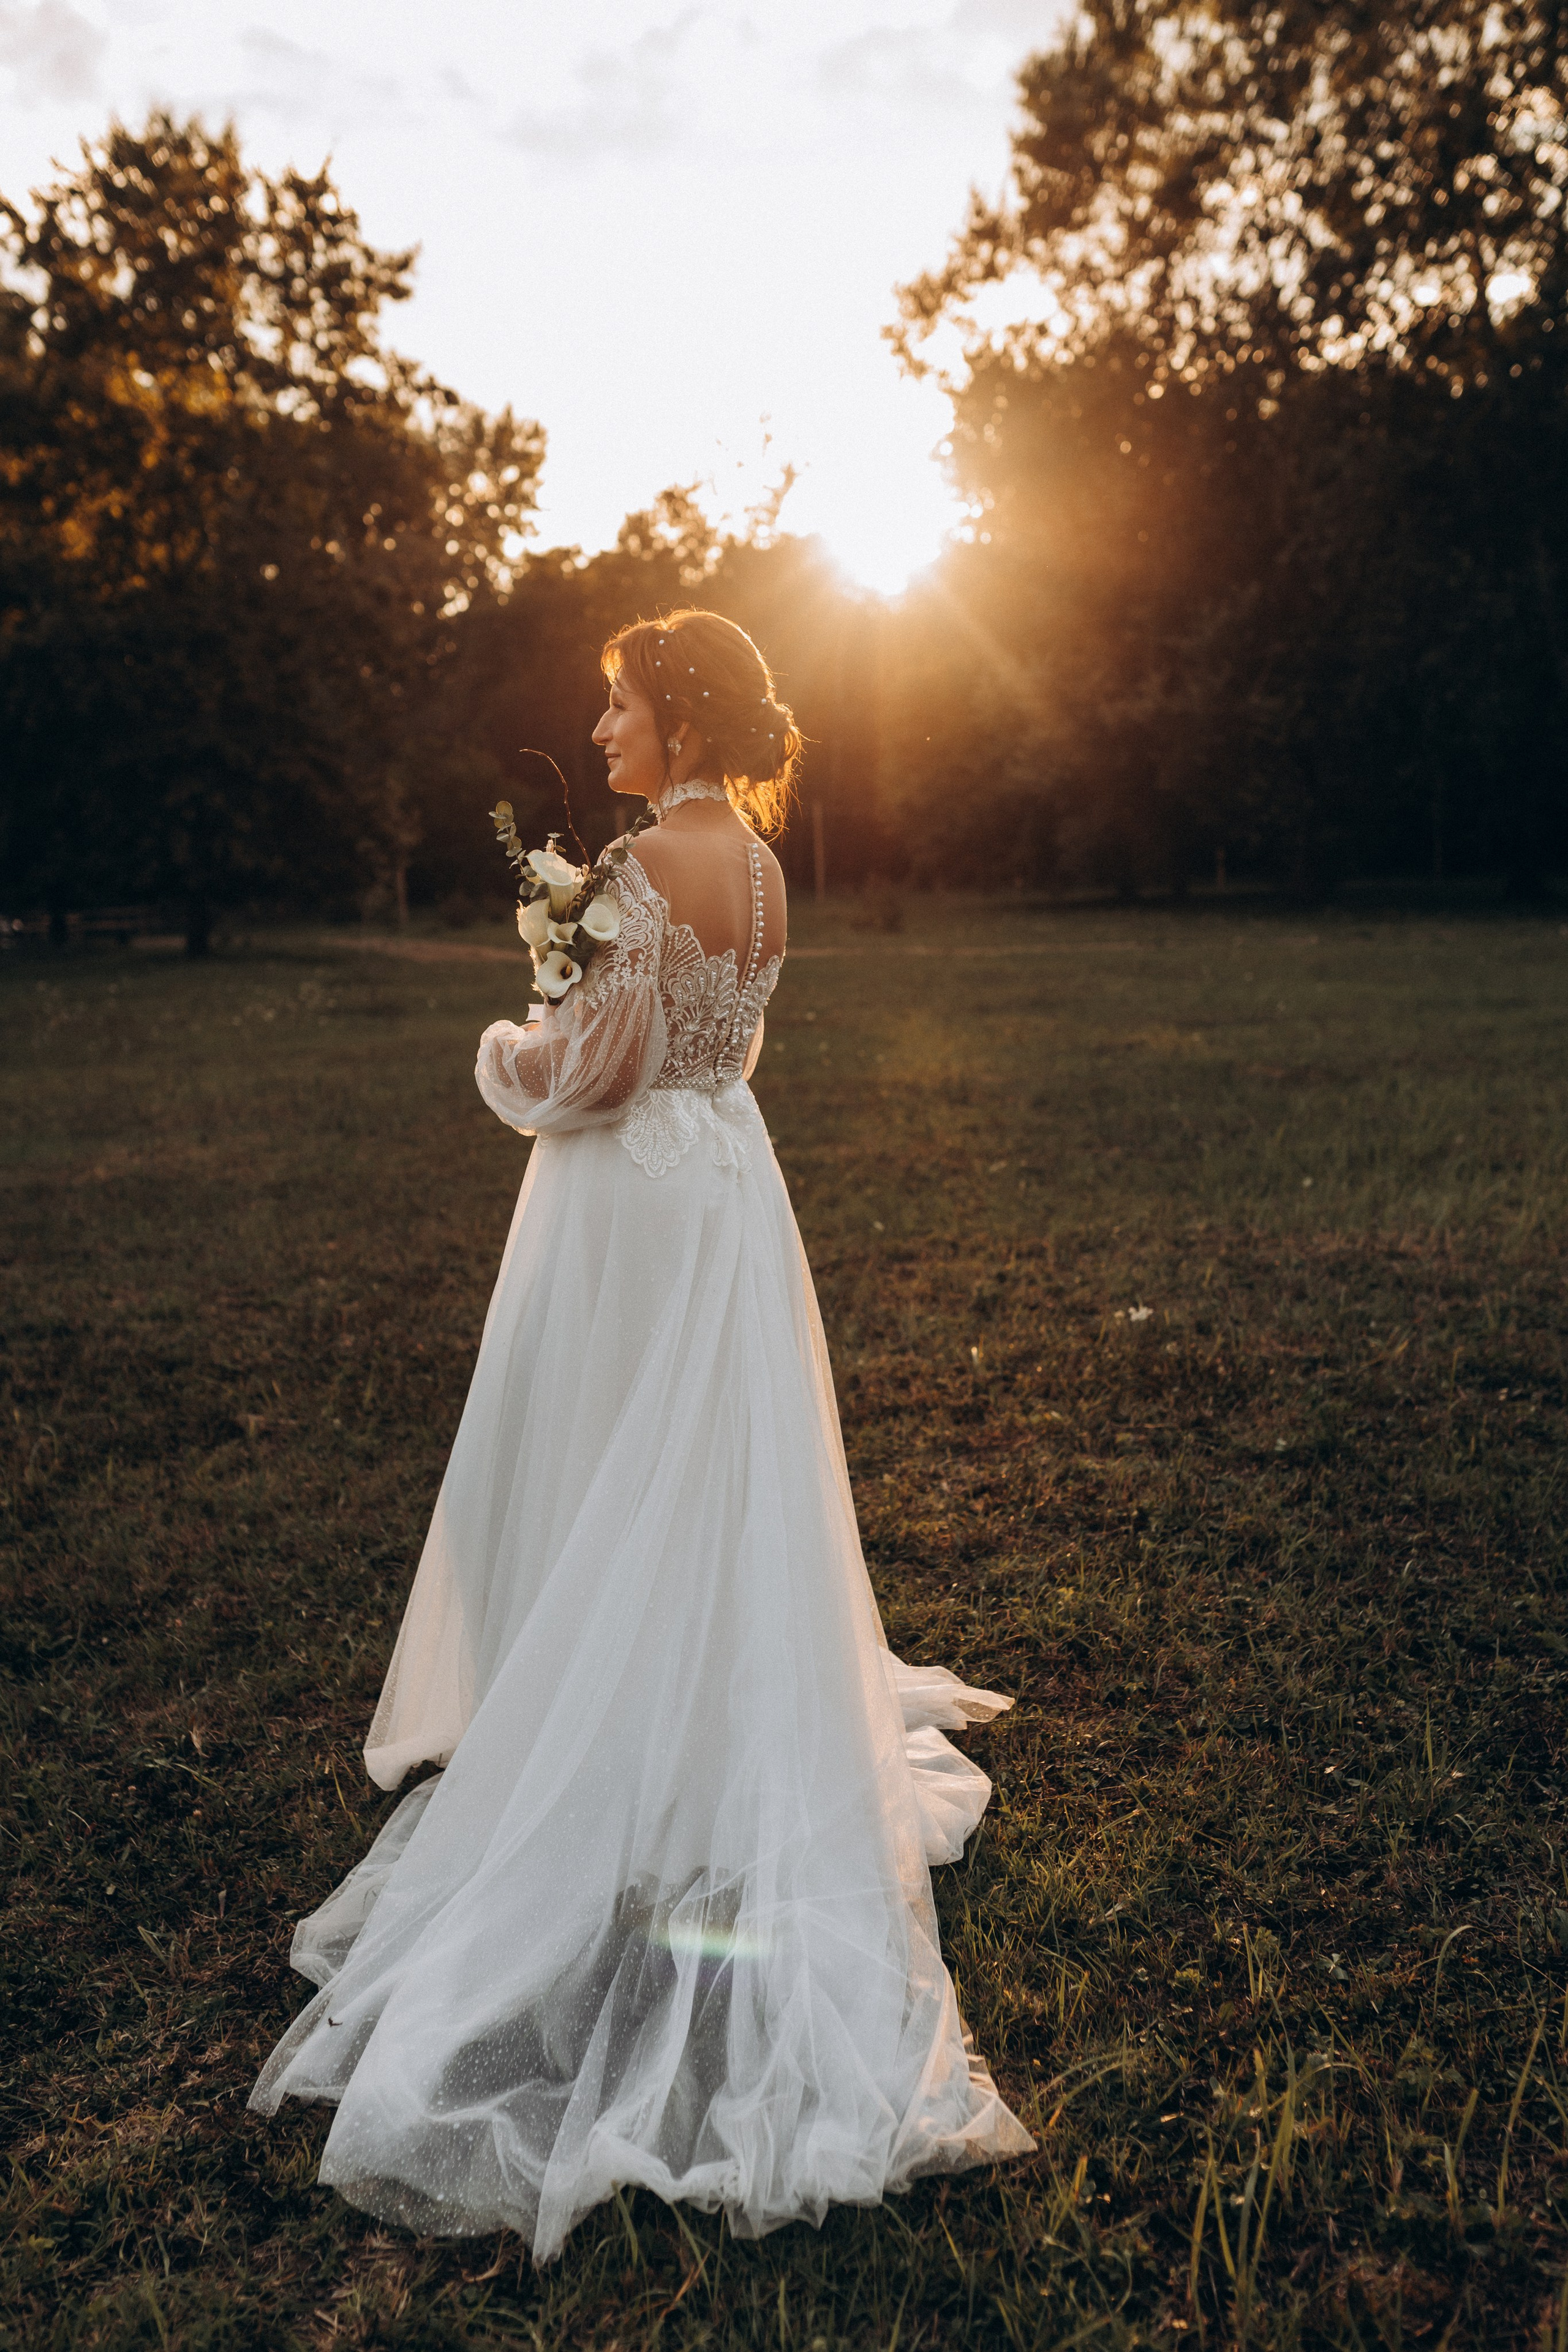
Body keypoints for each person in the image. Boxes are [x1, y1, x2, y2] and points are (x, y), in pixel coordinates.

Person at [249, 607, 1031, 2259]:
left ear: (672, 718)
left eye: (615, 708)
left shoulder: (634, 866)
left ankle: (607, 1755)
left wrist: (501, 1050)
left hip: (625, 1206)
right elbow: (709, 1047)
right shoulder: (760, 861)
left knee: (609, 1477)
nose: (598, 731)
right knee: (707, 1489)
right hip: (730, 1194)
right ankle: (700, 1737)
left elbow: (593, 1074)